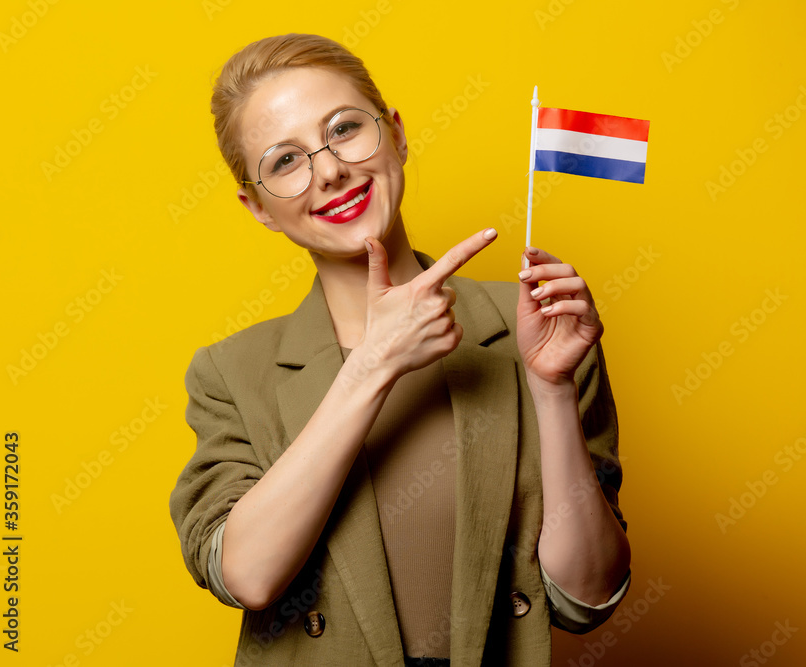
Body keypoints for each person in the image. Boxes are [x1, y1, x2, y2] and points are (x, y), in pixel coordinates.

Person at [169, 33, 631, 667]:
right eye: (285, 161)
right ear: (259, 210)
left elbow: (588, 597)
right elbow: (246, 575)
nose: (327, 170)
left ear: (396, 134)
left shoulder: (536, 328)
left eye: (344, 128)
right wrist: (373, 364)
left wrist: (550, 388)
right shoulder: (231, 373)